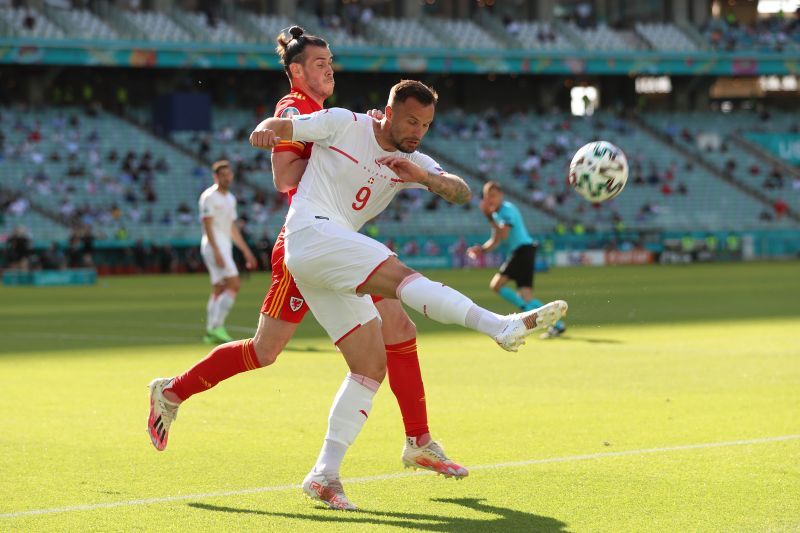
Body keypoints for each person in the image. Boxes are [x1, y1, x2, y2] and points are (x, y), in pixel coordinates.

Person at [147, 28, 467, 483]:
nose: (329, 68)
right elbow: (283, 175)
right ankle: (172, 392)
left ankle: (419, 441)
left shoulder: (322, 110)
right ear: (297, 71)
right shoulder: (294, 107)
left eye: (330, 61)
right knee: (265, 350)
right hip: (309, 241)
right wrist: (344, 147)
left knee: (398, 325)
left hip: (336, 239)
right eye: (320, 63)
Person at [249, 79, 567, 509]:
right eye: (412, 120)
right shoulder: (346, 124)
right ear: (389, 111)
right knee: (400, 277)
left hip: (323, 259)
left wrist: (424, 178)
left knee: (369, 366)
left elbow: (461, 191)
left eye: (427, 124)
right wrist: (265, 130)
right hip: (309, 233)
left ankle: (324, 474)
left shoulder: (412, 158)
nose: (418, 131)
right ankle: (500, 326)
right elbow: (283, 126)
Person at [467, 181, 566, 338]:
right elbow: (496, 239)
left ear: (501, 195)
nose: (490, 200)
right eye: (487, 197)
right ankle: (558, 324)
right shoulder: (497, 214)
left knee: (496, 285)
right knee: (526, 297)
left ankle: (526, 313)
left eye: (493, 196)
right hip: (524, 251)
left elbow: (504, 234)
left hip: (522, 251)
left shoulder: (507, 210)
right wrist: (482, 250)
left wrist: (488, 216)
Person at [198, 160, 257, 344]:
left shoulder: (230, 199)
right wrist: (216, 251)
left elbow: (232, 228)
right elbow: (207, 226)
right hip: (214, 246)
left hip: (223, 247)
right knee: (234, 284)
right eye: (223, 175)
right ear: (216, 177)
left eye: (228, 174)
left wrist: (246, 251)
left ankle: (210, 330)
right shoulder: (209, 197)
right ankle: (218, 326)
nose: (227, 178)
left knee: (219, 288)